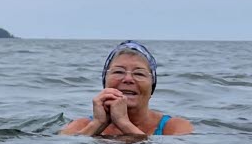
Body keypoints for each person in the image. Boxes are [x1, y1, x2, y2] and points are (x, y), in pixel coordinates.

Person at [61, 40, 193, 136]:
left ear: (152, 86)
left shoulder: (175, 128)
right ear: (105, 81)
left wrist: (123, 123)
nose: (128, 79)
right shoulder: (80, 126)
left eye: (139, 73)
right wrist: (97, 124)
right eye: (118, 72)